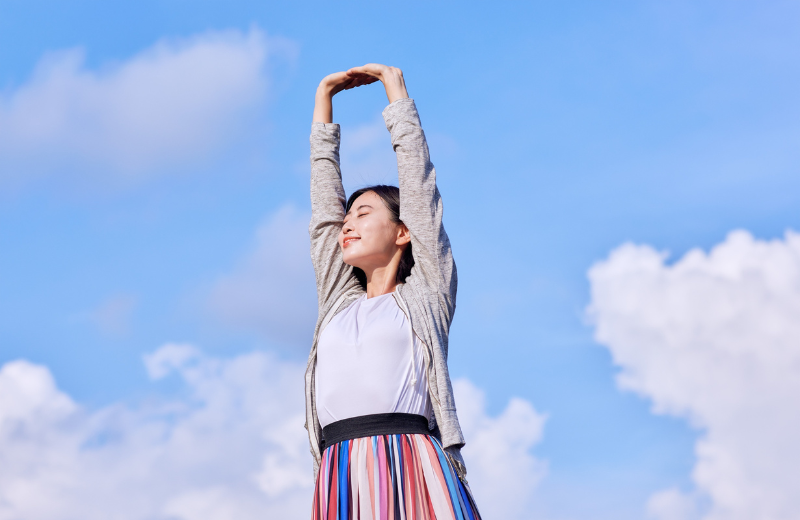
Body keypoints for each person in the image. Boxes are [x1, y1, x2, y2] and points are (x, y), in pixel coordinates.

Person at [306, 63, 482, 520]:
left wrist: (395, 93)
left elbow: (421, 190)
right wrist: (324, 99)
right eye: (348, 218)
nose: (348, 224)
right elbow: (324, 208)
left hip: (410, 460)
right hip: (339, 468)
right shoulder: (338, 303)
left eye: (363, 213)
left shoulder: (425, 296)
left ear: (403, 233)